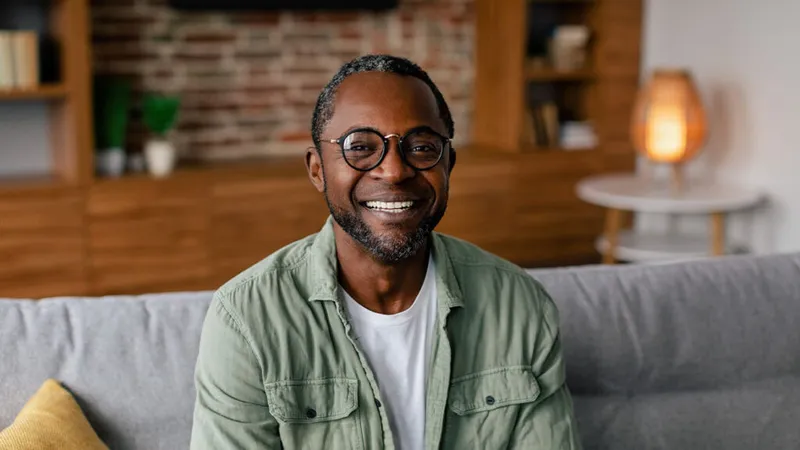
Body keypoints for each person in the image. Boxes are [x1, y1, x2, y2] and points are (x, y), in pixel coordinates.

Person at [190, 54, 582, 450]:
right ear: (317, 169)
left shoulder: (522, 306)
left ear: (448, 163)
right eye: (360, 146)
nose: (394, 171)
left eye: (422, 146)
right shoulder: (247, 319)